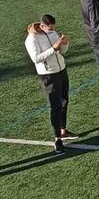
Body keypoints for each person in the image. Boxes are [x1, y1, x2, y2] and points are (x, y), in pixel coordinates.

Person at [24, 15, 78, 154]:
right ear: (42, 26)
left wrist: (65, 44)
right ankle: (57, 139)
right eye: (50, 28)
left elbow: (62, 52)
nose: (52, 30)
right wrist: (53, 49)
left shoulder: (52, 32)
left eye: (53, 28)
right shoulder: (31, 39)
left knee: (65, 100)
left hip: (61, 70)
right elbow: (36, 59)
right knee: (55, 106)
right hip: (48, 75)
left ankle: (63, 129)